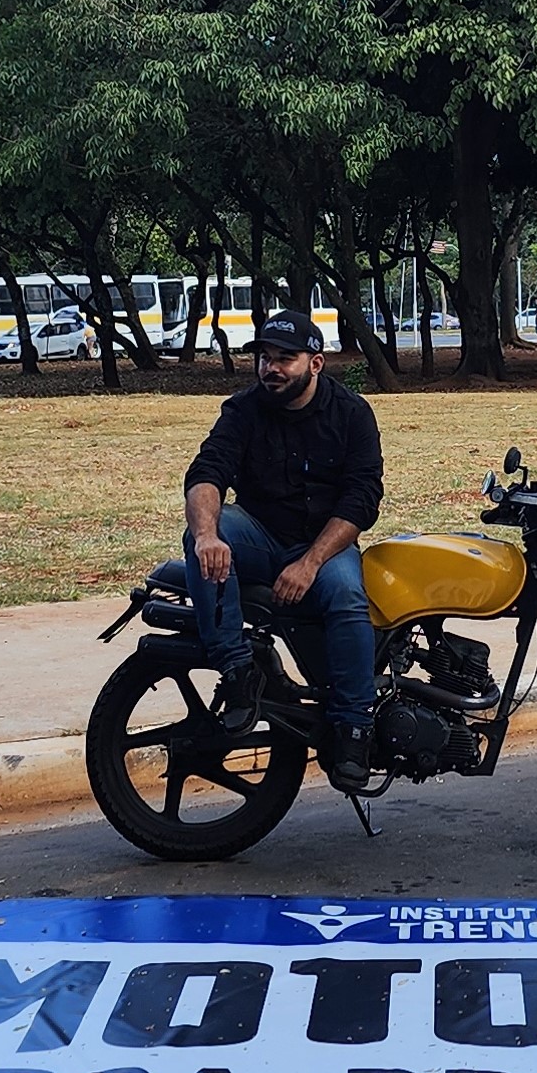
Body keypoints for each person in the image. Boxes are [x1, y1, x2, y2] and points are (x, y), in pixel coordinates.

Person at [182, 309, 385, 793]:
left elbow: (363, 498)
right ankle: (236, 672)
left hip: (325, 543)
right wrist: (208, 534)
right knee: (201, 533)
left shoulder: (352, 413)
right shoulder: (243, 409)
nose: (270, 368)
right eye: (264, 358)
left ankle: (355, 728)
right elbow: (207, 473)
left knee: (347, 598)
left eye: (285, 359)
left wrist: (311, 562)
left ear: (315, 363)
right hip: (259, 534)